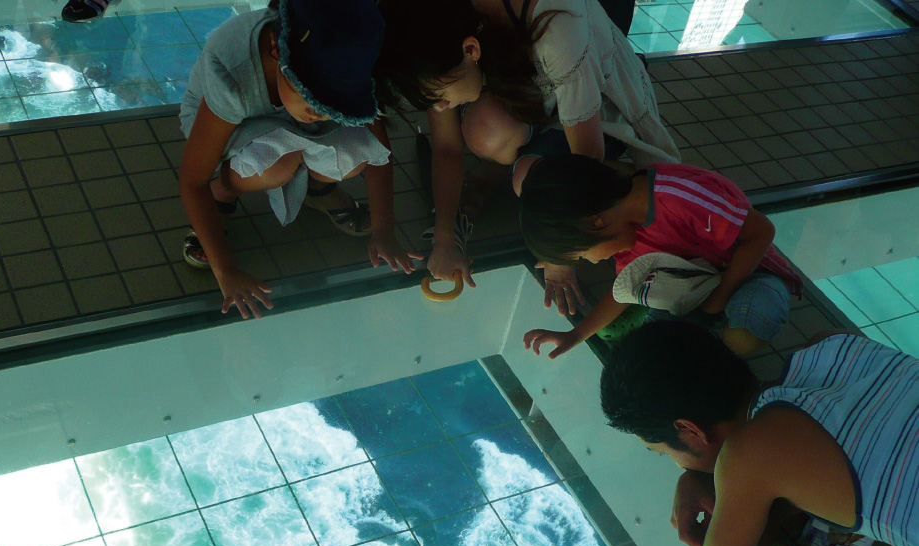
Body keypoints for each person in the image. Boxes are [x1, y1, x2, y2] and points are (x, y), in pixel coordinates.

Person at [599, 320, 919, 546]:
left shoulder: (750, 454)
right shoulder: (831, 342)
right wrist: (705, 475)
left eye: (662, 453)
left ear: (690, 431)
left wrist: (757, 499)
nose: (675, 463)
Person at [375, 0, 677, 303]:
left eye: (438, 97)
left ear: (471, 51)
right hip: (538, 94)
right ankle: (495, 170)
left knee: (527, 180)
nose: (440, 109)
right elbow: (446, 147)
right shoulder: (438, 28)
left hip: (601, 109)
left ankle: (623, 176)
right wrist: (444, 241)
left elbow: (585, 163)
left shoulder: (560, 29)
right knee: (486, 131)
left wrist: (560, 257)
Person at [179, 0, 419, 318]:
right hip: (223, 124)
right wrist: (227, 273)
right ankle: (223, 193)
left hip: (287, 119)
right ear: (277, 51)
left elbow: (377, 152)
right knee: (278, 164)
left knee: (356, 152)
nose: (321, 110)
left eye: (335, 101)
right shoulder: (233, 78)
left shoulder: (349, 57)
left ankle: (317, 191)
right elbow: (192, 179)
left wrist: (384, 231)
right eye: (313, 96)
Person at [521, 154, 799, 358]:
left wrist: (717, 302)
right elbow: (622, 289)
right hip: (695, 284)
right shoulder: (626, 231)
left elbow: (761, 233)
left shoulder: (680, 197)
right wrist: (576, 335)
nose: (593, 262)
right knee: (652, 350)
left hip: (754, 273)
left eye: (583, 255)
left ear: (595, 223)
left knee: (746, 329)